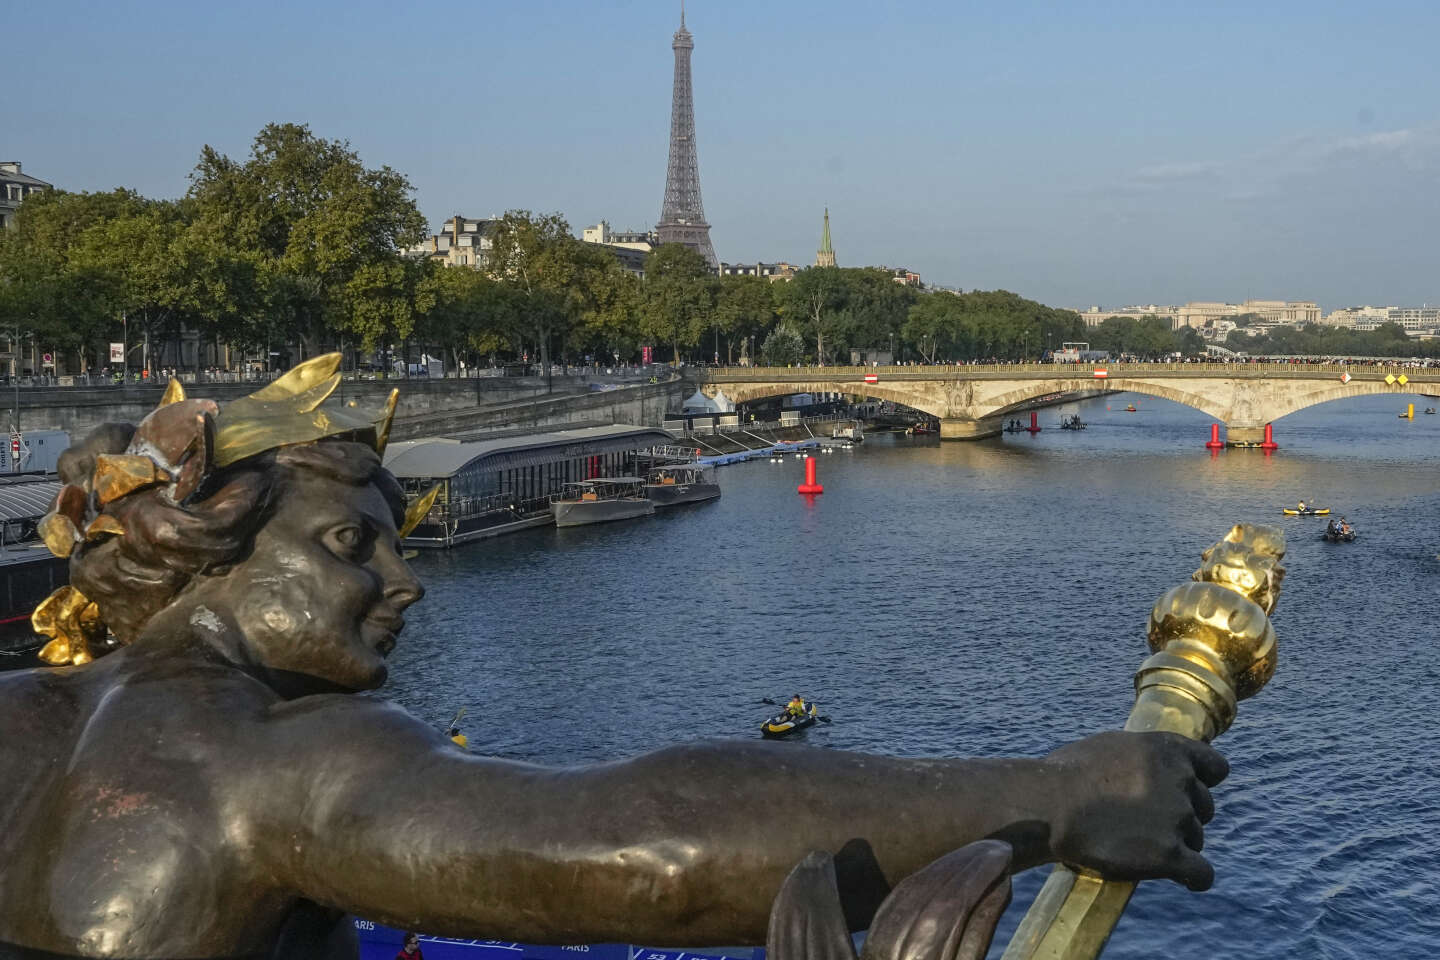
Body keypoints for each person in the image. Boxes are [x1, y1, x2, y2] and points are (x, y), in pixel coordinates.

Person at [0, 356, 1228, 958]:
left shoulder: (26, 716)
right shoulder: (263, 760)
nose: (401, 578)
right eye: (348, 546)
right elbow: (644, 848)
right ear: (209, 548)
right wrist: (1058, 795)